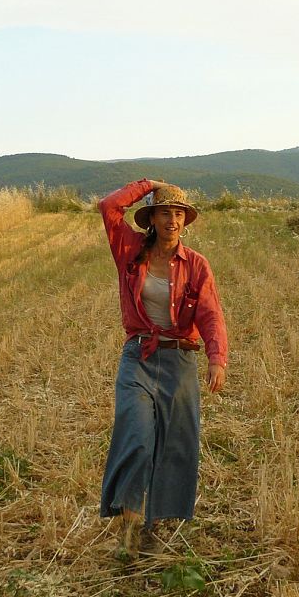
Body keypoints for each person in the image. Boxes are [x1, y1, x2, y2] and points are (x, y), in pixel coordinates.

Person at [98, 179, 229, 561]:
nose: (172, 220)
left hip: (180, 360)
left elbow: (210, 314)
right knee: (137, 438)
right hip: (138, 357)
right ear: (151, 218)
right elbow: (108, 206)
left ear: (184, 221)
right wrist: (149, 185)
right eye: (165, 212)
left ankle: (153, 524)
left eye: (178, 214)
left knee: (172, 445)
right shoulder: (129, 249)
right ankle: (128, 525)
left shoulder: (197, 265)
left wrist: (216, 358)